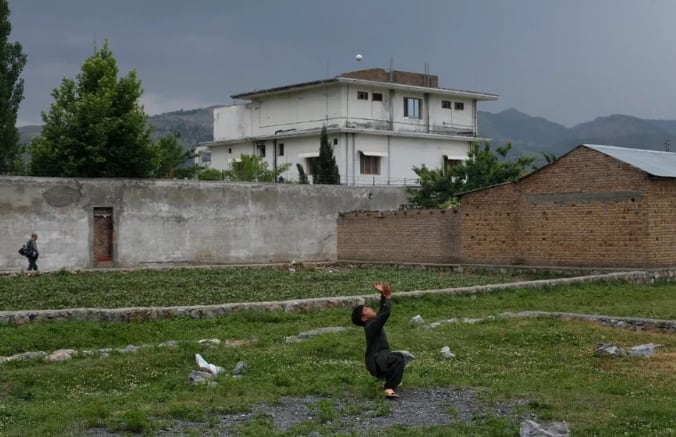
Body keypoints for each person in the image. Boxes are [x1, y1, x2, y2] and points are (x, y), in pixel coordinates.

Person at [351, 281, 405, 399]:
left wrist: (383, 296)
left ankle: (393, 381)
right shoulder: (371, 326)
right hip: (377, 362)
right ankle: (389, 388)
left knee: (400, 356)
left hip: (379, 360)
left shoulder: (372, 324)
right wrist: (388, 297)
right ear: (364, 318)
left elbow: (381, 312)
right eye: (366, 309)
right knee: (397, 360)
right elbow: (384, 314)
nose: (370, 308)